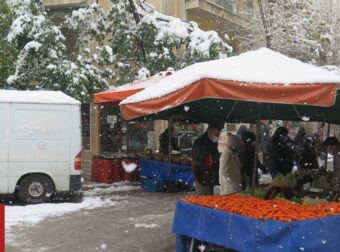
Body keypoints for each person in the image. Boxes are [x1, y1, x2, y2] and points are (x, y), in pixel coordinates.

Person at [192, 122, 224, 195]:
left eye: (218, 135)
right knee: (202, 198)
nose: (217, 137)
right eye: (216, 135)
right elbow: (197, 158)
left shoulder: (213, 143)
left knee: (210, 199)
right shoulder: (200, 142)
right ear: (210, 132)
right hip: (202, 177)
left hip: (211, 177)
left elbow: (214, 159)